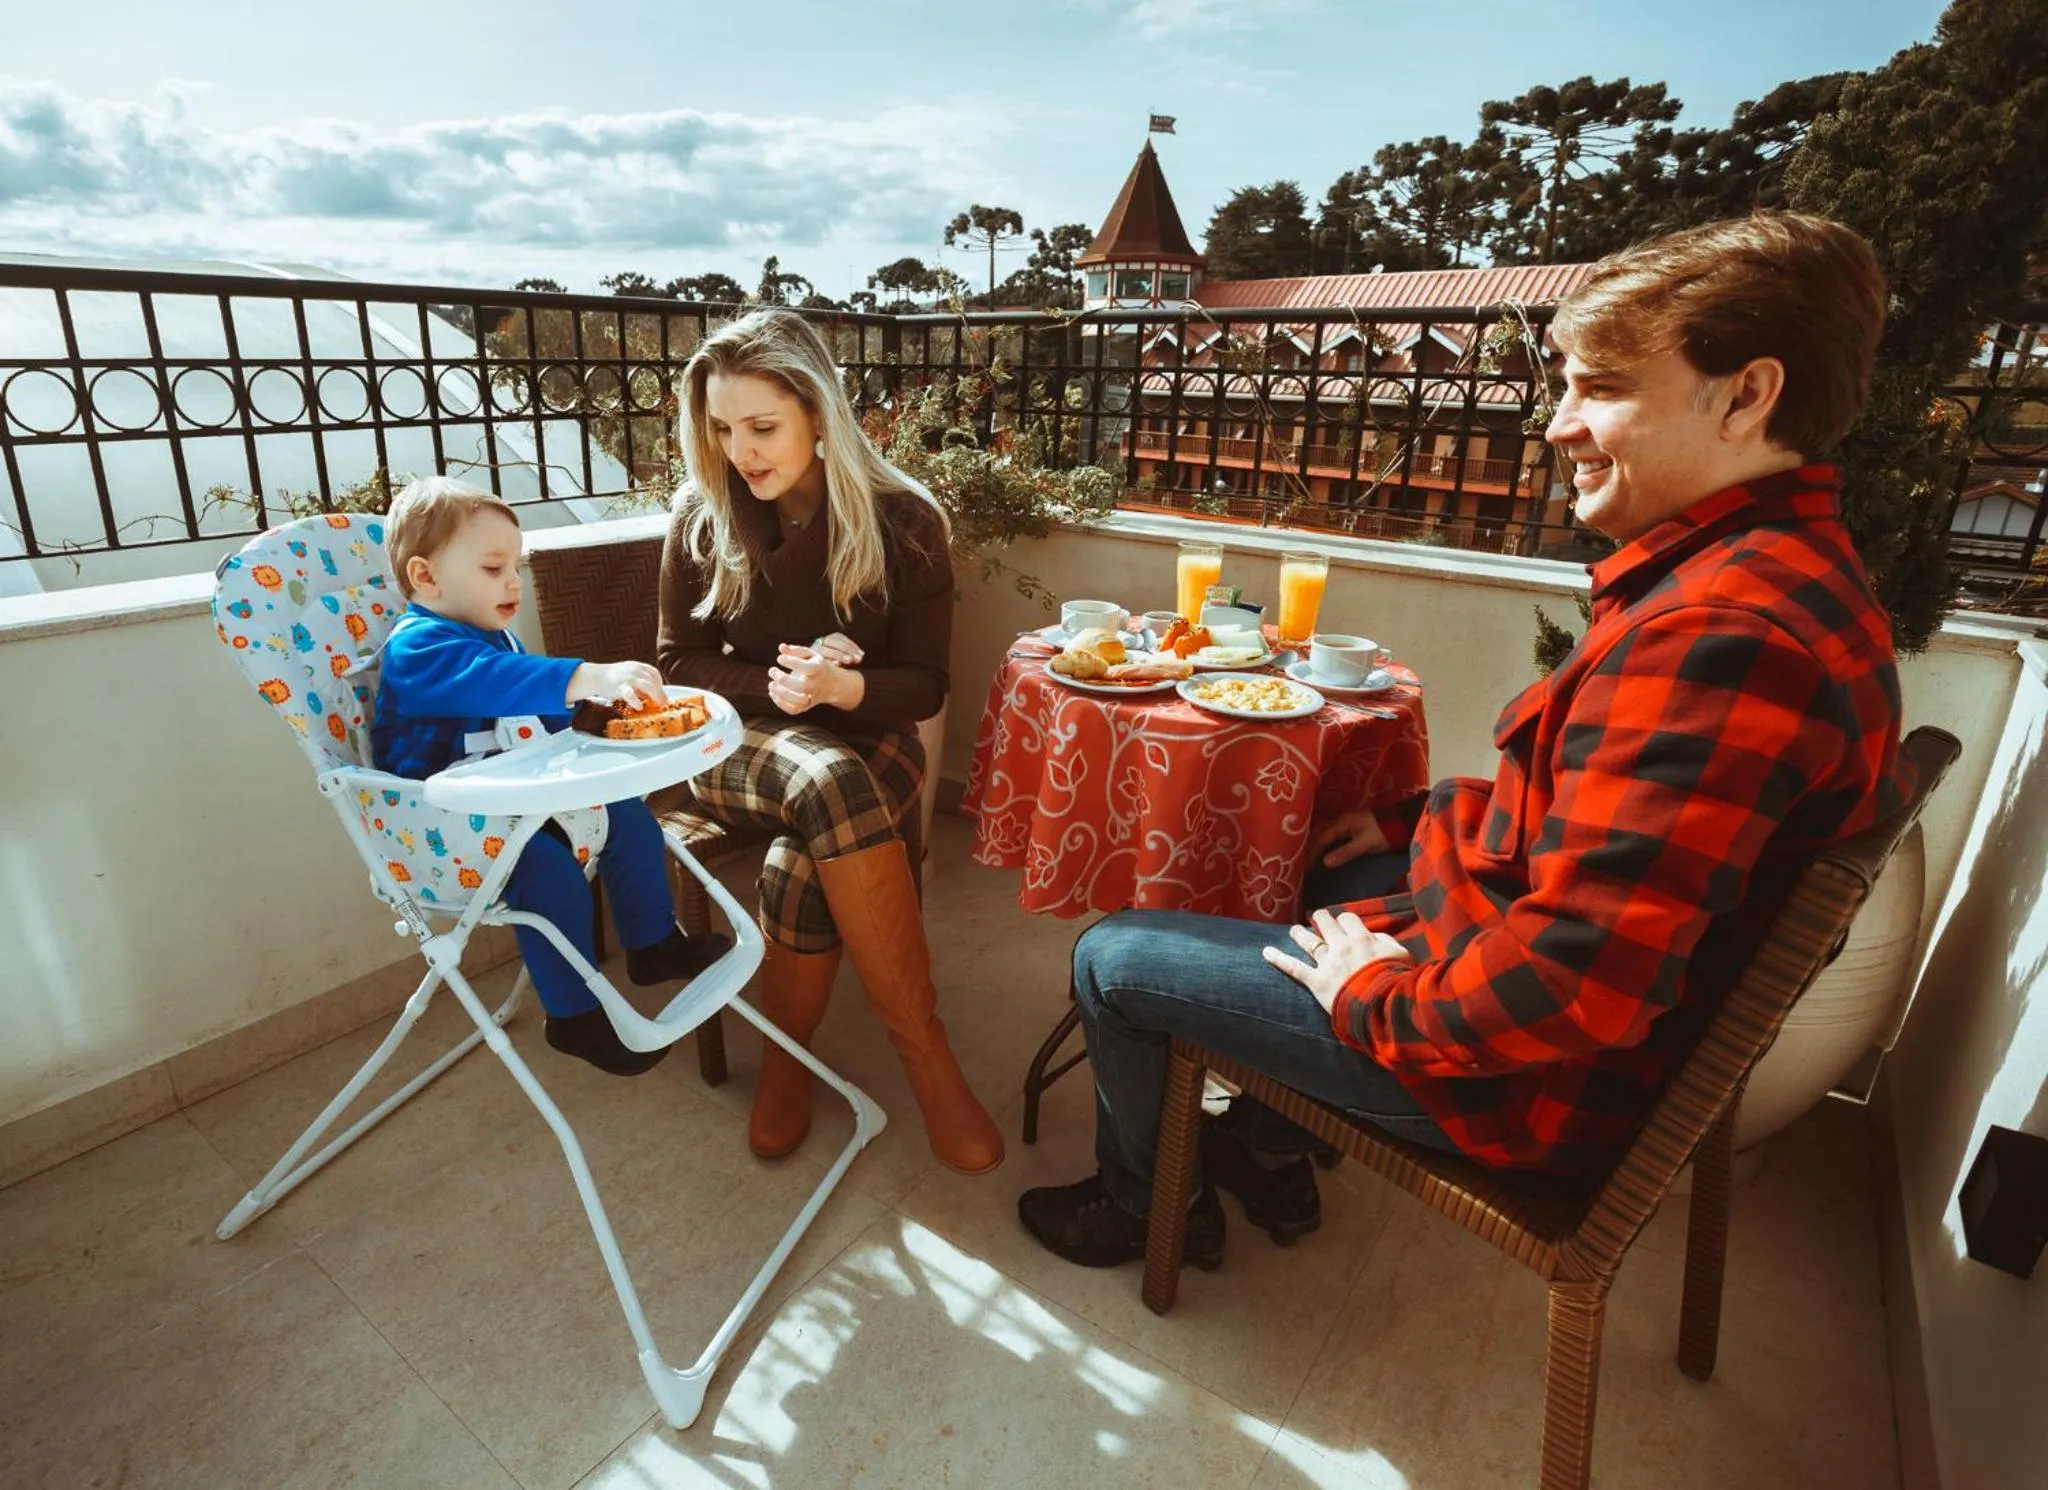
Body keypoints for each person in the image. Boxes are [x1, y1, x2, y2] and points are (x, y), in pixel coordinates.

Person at [1019, 211, 1911, 1268]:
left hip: (1526, 1089)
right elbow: (1601, 836)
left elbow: (1571, 988)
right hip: (1529, 1001)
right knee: (1321, 852)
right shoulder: (1771, 570)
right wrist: (1403, 818)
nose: (1557, 426)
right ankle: (1260, 1134)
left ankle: (1145, 1202)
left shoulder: (1722, 637)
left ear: (1747, 394)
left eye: (1602, 387)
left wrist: (1368, 995)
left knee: (1113, 956)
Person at [656, 308, 1003, 1176]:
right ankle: (930, 1065)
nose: (742, 450)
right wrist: (779, 683)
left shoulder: (905, 520)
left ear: (819, 413)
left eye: (763, 426)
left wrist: (843, 687)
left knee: (805, 849)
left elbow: (925, 682)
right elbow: (676, 661)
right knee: (825, 782)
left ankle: (785, 1063)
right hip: (732, 743)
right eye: (723, 428)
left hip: (864, 741)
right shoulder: (702, 515)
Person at [370, 477, 729, 1076]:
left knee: (630, 818)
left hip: (513, 799)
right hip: (444, 823)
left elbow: (528, 714)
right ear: (425, 578)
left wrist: (594, 711)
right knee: (551, 877)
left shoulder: (490, 633)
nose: (514, 581)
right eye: (492, 567)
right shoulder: (420, 648)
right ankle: (572, 1017)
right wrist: (586, 675)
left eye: (517, 564)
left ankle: (651, 944)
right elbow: (494, 680)